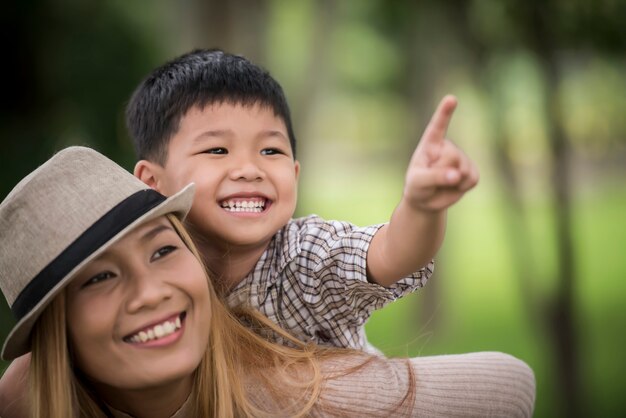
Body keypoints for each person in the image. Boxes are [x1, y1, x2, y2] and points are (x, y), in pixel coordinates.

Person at [0, 146, 534, 417]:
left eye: (163, 250)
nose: (151, 291)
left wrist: (262, 395)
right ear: (56, 337)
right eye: (98, 279)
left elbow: (510, 386)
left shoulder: (298, 391)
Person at [126, 48, 479, 351]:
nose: (250, 169)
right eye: (218, 149)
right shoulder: (145, 269)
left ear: (294, 174)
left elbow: (389, 254)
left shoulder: (303, 257)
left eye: (270, 150)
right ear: (153, 182)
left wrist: (421, 207)